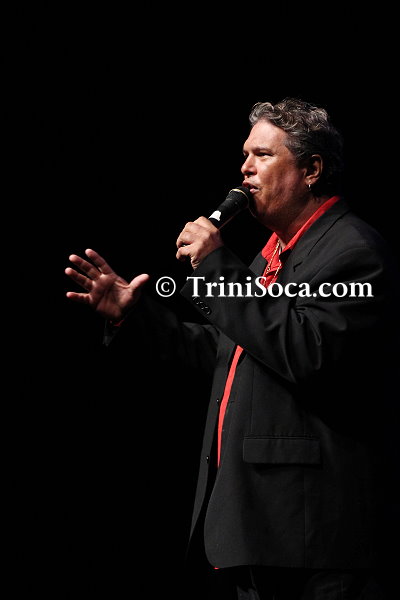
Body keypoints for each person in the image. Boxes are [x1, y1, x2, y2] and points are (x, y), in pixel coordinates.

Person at [65, 98, 400, 599]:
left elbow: (306, 350)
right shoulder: (274, 256)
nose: (245, 167)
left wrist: (218, 267)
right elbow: (231, 353)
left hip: (314, 542)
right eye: (245, 154)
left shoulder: (353, 251)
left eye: (262, 155)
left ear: (311, 169)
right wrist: (133, 317)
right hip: (263, 530)